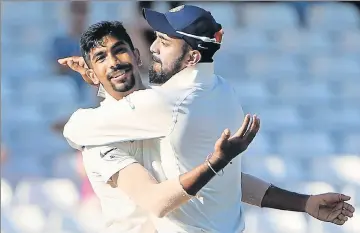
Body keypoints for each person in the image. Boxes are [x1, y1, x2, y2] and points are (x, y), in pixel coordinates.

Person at [59, 6, 355, 233]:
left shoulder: (162, 105)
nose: (153, 47)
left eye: (120, 51)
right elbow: (156, 200)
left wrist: (302, 203)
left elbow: (221, 180)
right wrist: (215, 164)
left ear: (136, 56)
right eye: (100, 59)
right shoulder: (218, 90)